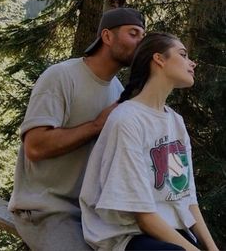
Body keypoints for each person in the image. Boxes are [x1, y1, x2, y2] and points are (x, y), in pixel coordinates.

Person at [8, 7, 145, 251]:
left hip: (90, 214)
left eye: (143, 37)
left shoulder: (117, 89)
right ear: (107, 37)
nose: (140, 42)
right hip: (44, 210)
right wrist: (96, 126)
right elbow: (35, 146)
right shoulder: (61, 76)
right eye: (133, 33)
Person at [80, 32, 219, 251]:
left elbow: (187, 199)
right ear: (159, 59)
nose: (192, 63)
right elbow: (143, 216)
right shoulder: (127, 120)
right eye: (183, 55)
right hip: (128, 236)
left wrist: (212, 249)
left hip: (171, 232)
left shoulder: (175, 122)